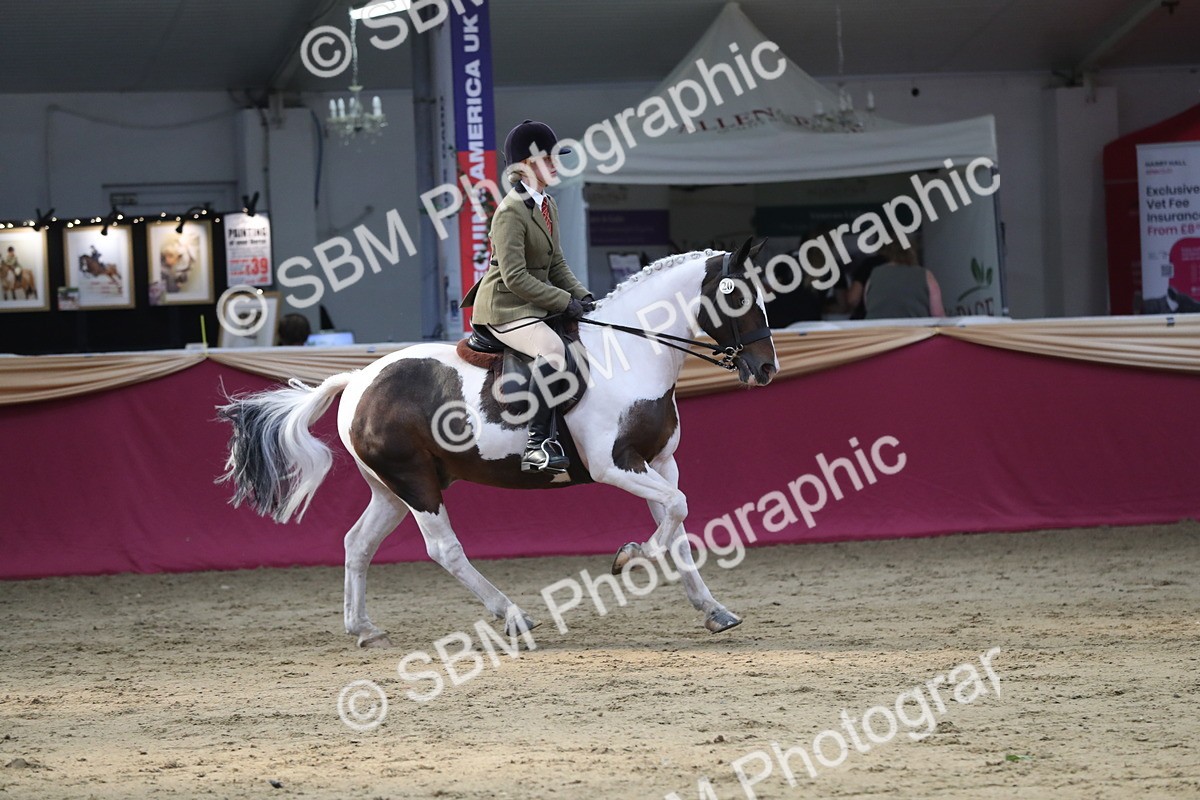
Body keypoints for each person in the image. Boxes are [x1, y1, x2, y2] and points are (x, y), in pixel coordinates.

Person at [461, 120, 595, 474]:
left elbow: (557, 264)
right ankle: (539, 445)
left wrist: (584, 296)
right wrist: (564, 303)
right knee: (552, 350)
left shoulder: (547, 204)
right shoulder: (508, 213)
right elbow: (515, 277)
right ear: (525, 165)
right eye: (547, 159)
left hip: (532, 303)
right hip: (504, 307)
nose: (555, 164)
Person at [863, 241, 946, 318]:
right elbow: (938, 314)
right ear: (912, 252)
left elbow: (868, 304)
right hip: (915, 332)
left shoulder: (875, 274)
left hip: (877, 331)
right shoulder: (925, 275)